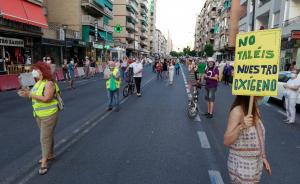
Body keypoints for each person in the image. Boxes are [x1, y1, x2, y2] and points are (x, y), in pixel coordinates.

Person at [17, 61, 60, 175]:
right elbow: (35, 97)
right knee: (47, 135)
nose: (33, 72)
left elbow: (47, 98)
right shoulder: (38, 82)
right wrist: (26, 94)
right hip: (39, 115)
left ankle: (44, 161)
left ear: (42, 71)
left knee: (44, 138)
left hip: (49, 114)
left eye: (35, 69)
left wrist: (30, 94)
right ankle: (50, 154)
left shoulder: (49, 83)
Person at [224, 96, 272, 183]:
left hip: (256, 165)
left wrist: (263, 157)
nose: (264, 95)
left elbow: (259, 135)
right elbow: (226, 141)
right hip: (241, 166)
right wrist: (242, 126)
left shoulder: (255, 108)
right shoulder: (237, 111)